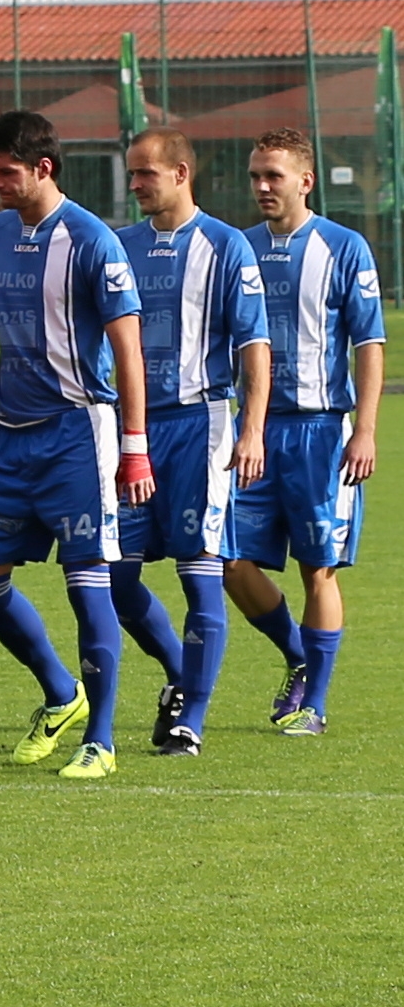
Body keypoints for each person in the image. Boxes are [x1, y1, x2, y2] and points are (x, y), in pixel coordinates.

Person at [0, 109, 149, 783]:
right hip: (11, 436)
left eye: (6, 172)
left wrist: (135, 447)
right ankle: (60, 691)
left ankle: (100, 738)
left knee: (87, 582)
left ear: (43, 167)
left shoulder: (94, 240)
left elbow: (128, 349)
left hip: (80, 433)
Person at [111, 131, 268, 755]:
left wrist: (251, 428)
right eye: (131, 174)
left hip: (200, 425)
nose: (135, 184)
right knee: (114, 578)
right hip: (131, 430)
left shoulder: (226, 247)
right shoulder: (119, 246)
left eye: (145, 173)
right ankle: (181, 673)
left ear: (181, 173)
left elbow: (254, 347)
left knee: (201, 574)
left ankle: (189, 719)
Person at [225, 126, 384, 737]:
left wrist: (363, 429)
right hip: (253, 432)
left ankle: (313, 703)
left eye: (274, 176)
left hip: (322, 434)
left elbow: (369, 343)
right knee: (229, 560)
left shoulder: (344, 248)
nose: (262, 186)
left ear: (305, 180)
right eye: (255, 176)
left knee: (319, 568)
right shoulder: (237, 247)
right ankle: (297, 654)